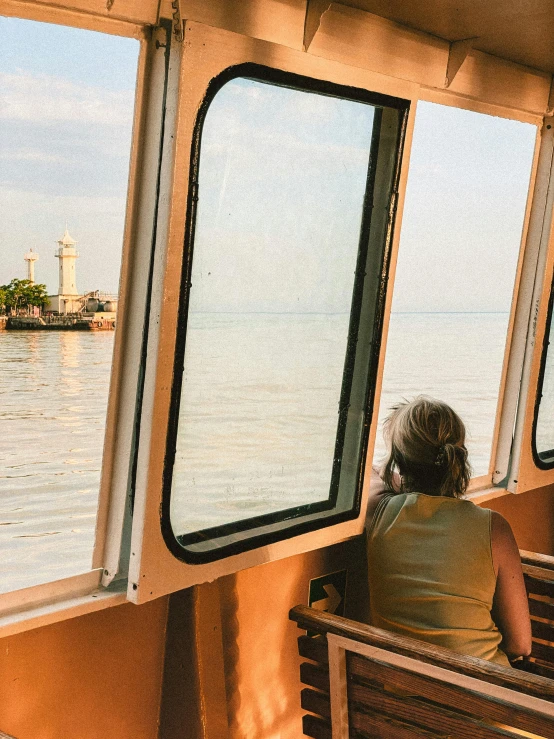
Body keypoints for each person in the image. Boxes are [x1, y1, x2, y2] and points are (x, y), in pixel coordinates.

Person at [366, 395, 531, 667]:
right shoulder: (494, 528)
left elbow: (370, 475)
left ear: (398, 461)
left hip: (400, 695)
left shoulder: (380, 513)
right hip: (483, 699)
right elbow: (520, 644)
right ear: (458, 456)